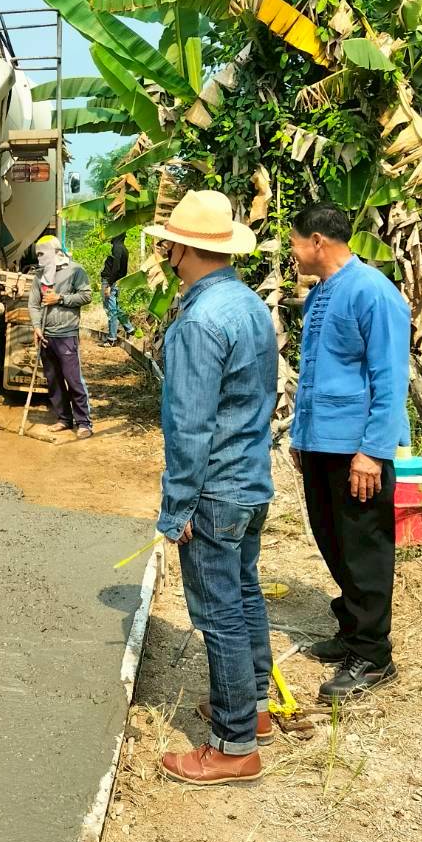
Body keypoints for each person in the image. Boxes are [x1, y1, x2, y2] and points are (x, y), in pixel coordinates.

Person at [145, 190, 278, 786]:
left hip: (215, 490)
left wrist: (177, 508)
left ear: (182, 250)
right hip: (249, 480)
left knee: (219, 613)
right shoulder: (248, 305)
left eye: (169, 246)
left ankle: (233, 744)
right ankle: (254, 707)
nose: (166, 255)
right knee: (244, 595)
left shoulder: (199, 321)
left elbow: (190, 425)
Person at [288, 202, 412, 701]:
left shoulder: (373, 292)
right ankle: (352, 631)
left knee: (364, 549)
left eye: (295, 243)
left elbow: (390, 377)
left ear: (318, 241)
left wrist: (373, 452)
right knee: (333, 539)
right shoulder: (320, 294)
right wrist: (301, 437)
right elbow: (315, 373)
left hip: (356, 451)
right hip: (321, 442)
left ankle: (373, 655)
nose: (293, 253)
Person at [29, 234, 94, 438]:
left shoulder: (75, 270)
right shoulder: (40, 276)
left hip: (66, 334)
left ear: (56, 252)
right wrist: (37, 327)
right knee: (54, 380)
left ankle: (84, 423)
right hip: (46, 336)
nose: (39, 257)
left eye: (43, 253)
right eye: (38, 254)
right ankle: (64, 419)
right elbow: (33, 304)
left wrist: (60, 298)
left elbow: (86, 295)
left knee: (73, 380)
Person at [99, 232, 133, 346]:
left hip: (110, 282)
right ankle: (129, 329)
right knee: (116, 308)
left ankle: (111, 339)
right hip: (116, 281)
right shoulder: (124, 249)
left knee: (111, 310)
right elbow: (123, 271)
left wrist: (109, 284)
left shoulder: (116, 248)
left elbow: (116, 267)